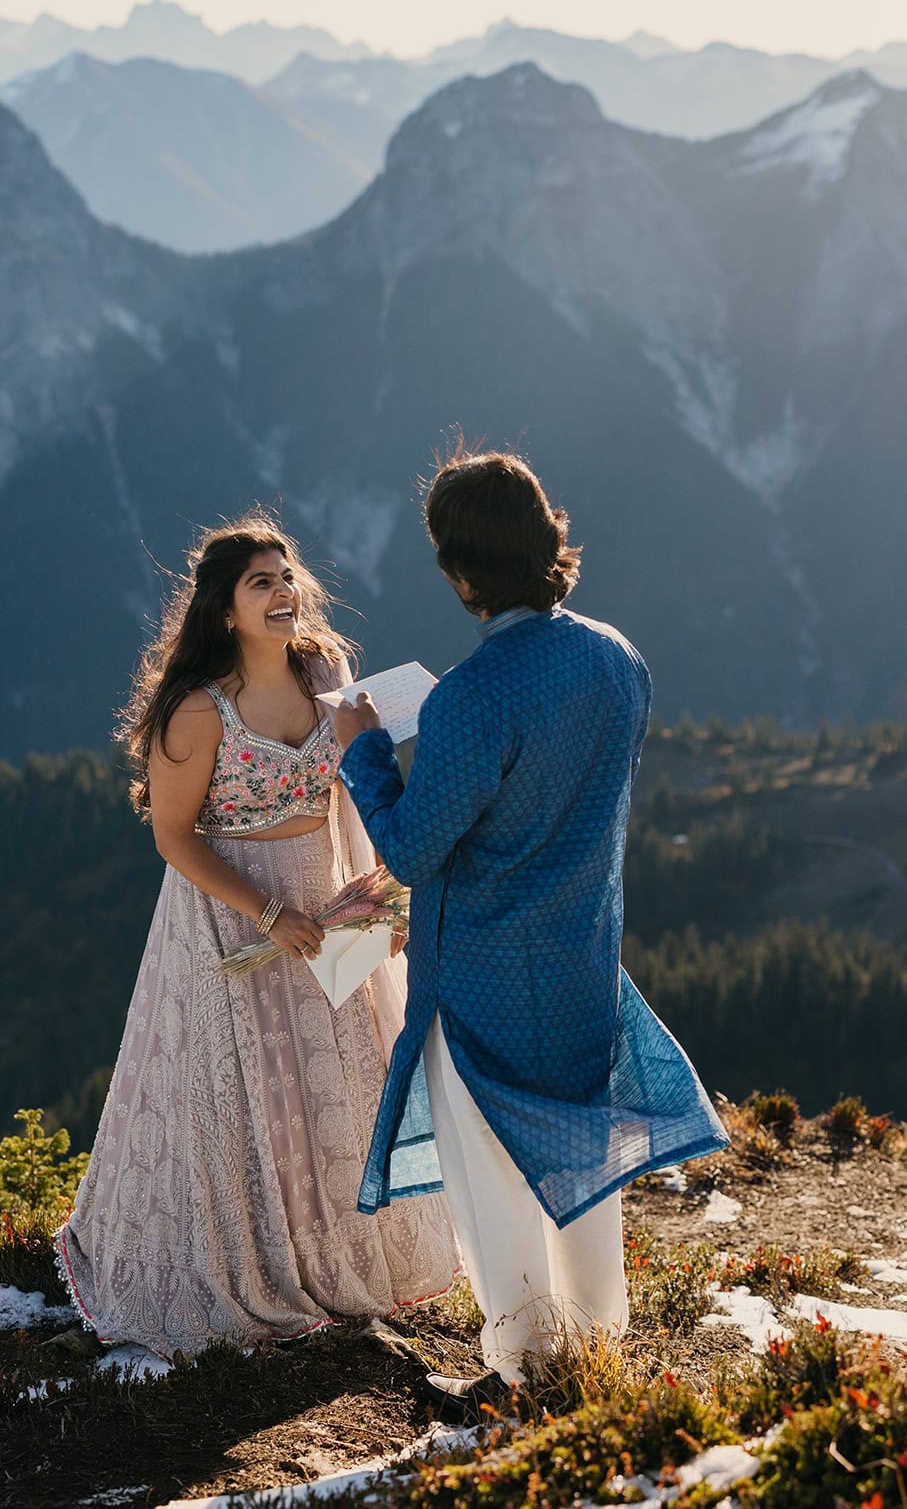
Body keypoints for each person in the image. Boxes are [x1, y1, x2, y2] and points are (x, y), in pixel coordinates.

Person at [334, 446, 728, 1416]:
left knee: (490, 1178)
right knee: (578, 1156)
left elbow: (417, 850)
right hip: (581, 954)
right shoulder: (615, 658)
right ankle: (596, 1344)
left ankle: (517, 1373)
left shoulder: (475, 693)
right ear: (546, 537)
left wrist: (364, 754)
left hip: (481, 969)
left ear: (461, 570)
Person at [56, 516, 459, 1358]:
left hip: (328, 895)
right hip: (230, 911)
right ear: (225, 609)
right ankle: (250, 1261)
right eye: (259, 584)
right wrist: (269, 916)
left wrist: (382, 899)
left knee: (342, 1080)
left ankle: (347, 1257)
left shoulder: (328, 673)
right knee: (246, 1089)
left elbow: (358, 783)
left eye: (286, 577)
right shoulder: (195, 712)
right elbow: (174, 837)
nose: (282, 593)